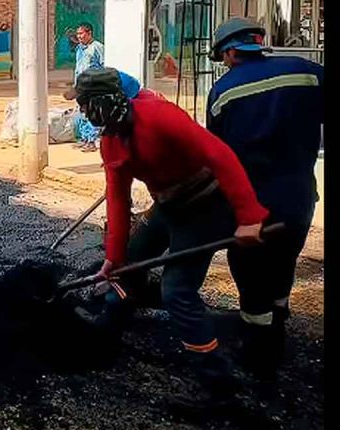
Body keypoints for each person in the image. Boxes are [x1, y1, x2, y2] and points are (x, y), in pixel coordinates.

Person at [73, 68, 270, 414]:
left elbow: (220, 155)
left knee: (177, 290)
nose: (83, 113)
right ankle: (108, 333)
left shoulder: (159, 116)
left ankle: (218, 386)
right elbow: (118, 199)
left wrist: (249, 216)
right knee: (127, 267)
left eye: (86, 105)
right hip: (169, 205)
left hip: (209, 205)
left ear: (104, 102)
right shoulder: (111, 142)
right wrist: (113, 257)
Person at [207, 17, 324, 379]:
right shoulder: (307, 72)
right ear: (259, 41)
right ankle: (278, 324)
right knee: (284, 261)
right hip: (300, 195)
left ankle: (260, 357)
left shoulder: (222, 92)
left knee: (251, 274)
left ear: (229, 52)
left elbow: (218, 158)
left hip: (252, 205)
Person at [71, 23, 105, 152]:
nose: (79, 36)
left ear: (89, 33)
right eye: (78, 34)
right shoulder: (80, 48)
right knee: (82, 112)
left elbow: (103, 65)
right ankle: (84, 138)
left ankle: (91, 141)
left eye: (81, 33)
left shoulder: (97, 47)